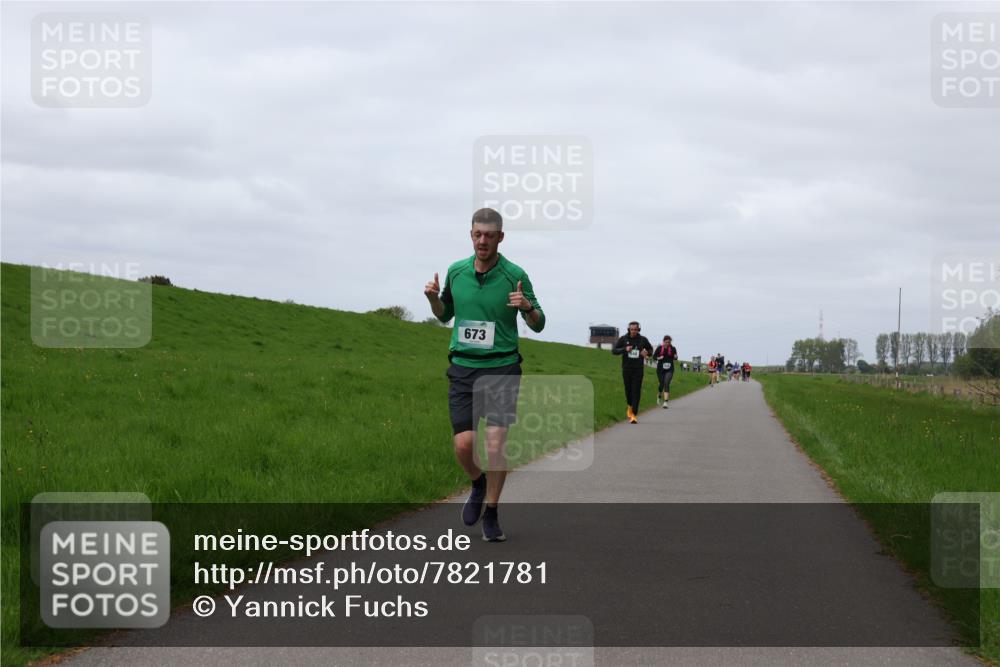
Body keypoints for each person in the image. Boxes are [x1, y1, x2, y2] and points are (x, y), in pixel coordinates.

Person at [424, 207, 545, 542]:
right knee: (464, 445)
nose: (483, 241)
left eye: (489, 236)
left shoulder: (514, 274)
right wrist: (433, 299)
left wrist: (527, 308)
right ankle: (477, 483)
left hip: (502, 366)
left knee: (494, 443)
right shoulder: (457, 271)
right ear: (471, 235)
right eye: (477, 234)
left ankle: (491, 511)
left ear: (500, 238)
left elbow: (539, 323)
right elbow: (444, 315)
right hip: (463, 366)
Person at [612, 322, 653, 423]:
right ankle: (630, 407)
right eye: (632, 329)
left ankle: (634, 414)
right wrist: (625, 349)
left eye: (635, 329)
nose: (634, 331)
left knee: (636, 390)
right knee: (628, 390)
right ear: (629, 329)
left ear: (639, 329)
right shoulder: (623, 339)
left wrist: (647, 353)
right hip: (627, 369)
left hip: (638, 369)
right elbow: (614, 351)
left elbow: (650, 349)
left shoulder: (643, 339)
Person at [653, 335, 678, 408]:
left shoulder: (673, 349)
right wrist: (659, 357)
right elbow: (654, 357)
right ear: (663, 342)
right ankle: (659, 395)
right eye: (666, 342)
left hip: (670, 369)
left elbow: (675, 357)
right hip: (660, 369)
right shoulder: (659, 348)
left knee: (666, 383)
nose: (667, 343)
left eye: (669, 342)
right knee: (661, 384)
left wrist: (676, 357)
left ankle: (665, 402)